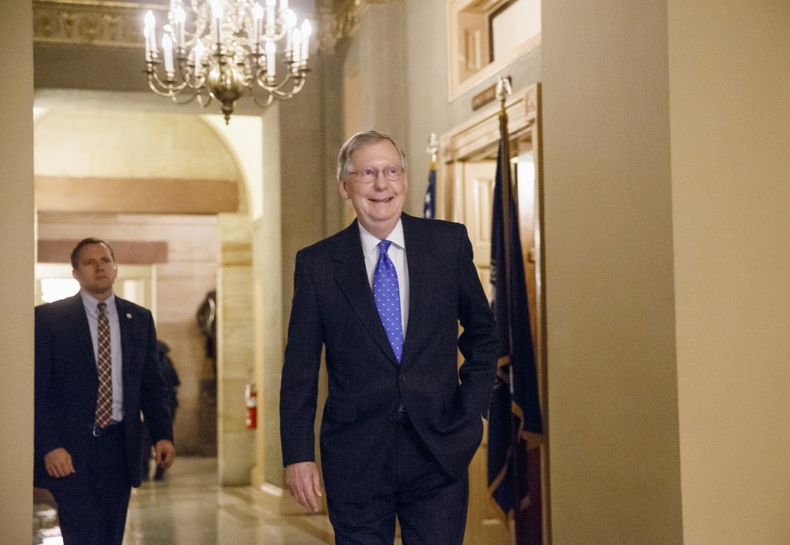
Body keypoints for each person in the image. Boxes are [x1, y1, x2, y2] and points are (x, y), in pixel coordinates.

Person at [280, 131, 498, 545]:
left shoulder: (447, 244)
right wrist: (298, 454)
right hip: (355, 456)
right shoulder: (317, 264)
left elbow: (484, 334)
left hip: (439, 448)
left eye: (391, 171)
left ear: (405, 180)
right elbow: (299, 370)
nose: (382, 184)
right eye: (367, 173)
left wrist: (470, 410)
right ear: (346, 186)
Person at [34, 237, 176, 545]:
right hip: (70, 450)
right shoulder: (49, 319)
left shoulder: (138, 318)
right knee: (81, 533)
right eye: (89, 262)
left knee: (111, 534)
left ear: (115, 268)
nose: (99, 267)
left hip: (120, 447)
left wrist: (163, 434)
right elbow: (37, 391)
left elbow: (152, 384)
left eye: (105, 260)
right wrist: (50, 445)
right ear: (75, 272)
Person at [140, 340, 180, 481]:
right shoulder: (167, 363)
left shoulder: (154, 365)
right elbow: (176, 382)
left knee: (146, 442)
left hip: (157, 409)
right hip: (169, 406)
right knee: (161, 440)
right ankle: (159, 473)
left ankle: (145, 472)